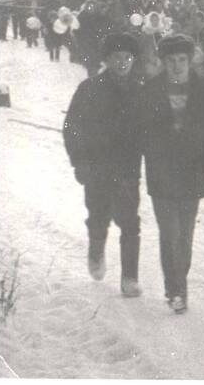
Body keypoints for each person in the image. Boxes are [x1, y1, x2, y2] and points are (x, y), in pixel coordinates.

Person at [137, 34, 204, 314]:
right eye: (171, 61)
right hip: (162, 174)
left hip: (193, 174)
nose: (177, 66)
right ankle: (177, 290)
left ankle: (177, 283)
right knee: (170, 233)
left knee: (185, 236)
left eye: (182, 61)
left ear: (190, 61)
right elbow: (138, 133)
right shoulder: (150, 91)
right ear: (163, 62)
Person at [62, 32, 143, 296]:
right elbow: (72, 126)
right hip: (96, 168)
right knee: (98, 217)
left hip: (127, 169)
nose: (122, 63)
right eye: (117, 57)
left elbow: (151, 129)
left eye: (127, 58)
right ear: (107, 60)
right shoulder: (89, 89)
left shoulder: (140, 90)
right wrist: (80, 161)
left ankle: (130, 278)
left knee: (130, 222)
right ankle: (96, 251)